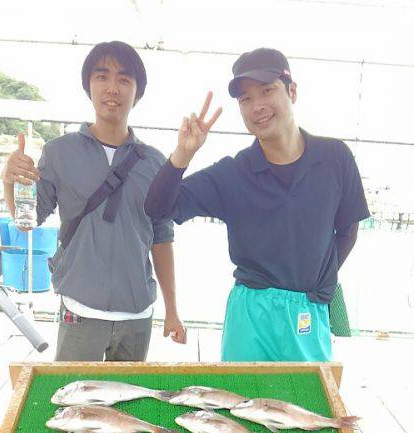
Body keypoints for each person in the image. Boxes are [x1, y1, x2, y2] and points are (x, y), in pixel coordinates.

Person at [145, 47, 370, 362]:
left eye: (267, 91)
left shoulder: (335, 158)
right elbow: (158, 208)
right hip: (250, 312)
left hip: (308, 308)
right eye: (245, 99)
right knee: (241, 401)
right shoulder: (233, 173)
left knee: (307, 405)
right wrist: (183, 154)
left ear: (292, 91)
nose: (257, 106)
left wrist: (320, 279)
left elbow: (348, 229)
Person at [2, 40, 186, 362]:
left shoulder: (156, 163)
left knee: (127, 407)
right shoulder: (59, 152)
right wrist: (9, 181)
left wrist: (172, 310)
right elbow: (26, 221)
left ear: (137, 93)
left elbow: (162, 237)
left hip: (137, 315)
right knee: (74, 406)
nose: (112, 87)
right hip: (79, 311)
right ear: (88, 86)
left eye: (124, 79)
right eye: (102, 76)